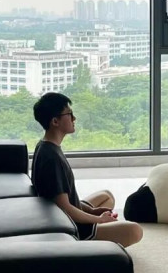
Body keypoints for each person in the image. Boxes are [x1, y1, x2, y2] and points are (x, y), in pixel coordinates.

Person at [31, 92, 143, 248]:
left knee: (106, 196)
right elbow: (64, 208)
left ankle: (100, 224)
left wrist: (92, 211)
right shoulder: (51, 157)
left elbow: (68, 200)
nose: (74, 118)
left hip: (68, 212)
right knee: (135, 230)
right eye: (69, 114)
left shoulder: (46, 146)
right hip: (73, 226)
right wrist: (99, 219)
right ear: (55, 121)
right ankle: (90, 244)